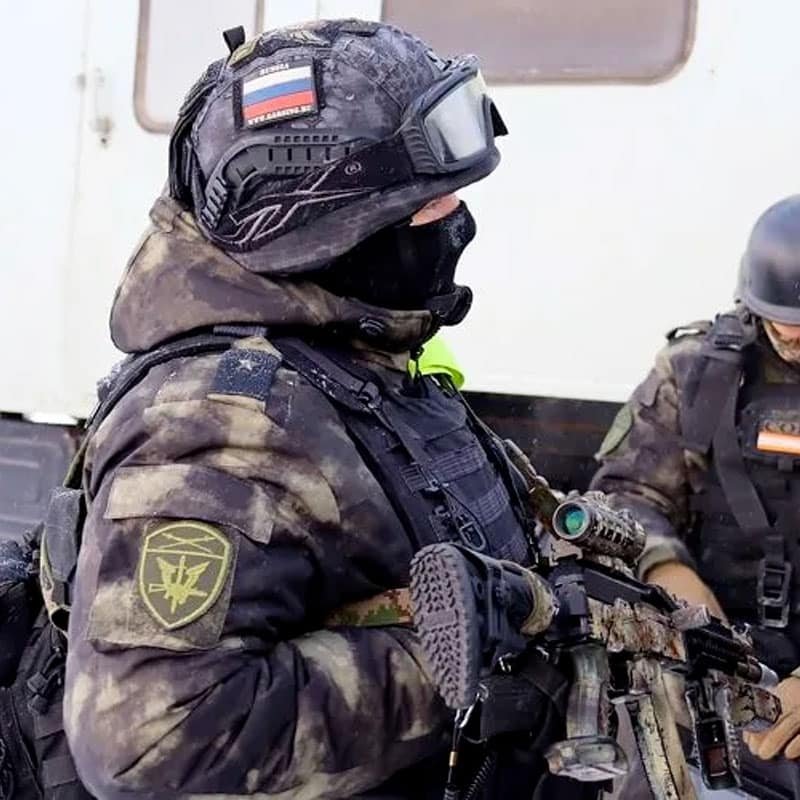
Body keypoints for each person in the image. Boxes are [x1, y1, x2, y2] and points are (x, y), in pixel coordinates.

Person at [57, 19, 573, 800]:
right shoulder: (220, 422)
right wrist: (478, 665)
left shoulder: (350, 354)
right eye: (428, 201)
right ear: (326, 226)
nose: (457, 212)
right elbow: (155, 742)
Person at [592, 196, 800, 796]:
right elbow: (626, 496)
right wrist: (667, 572)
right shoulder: (697, 372)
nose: (795, 336)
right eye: (784, 322)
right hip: (709, 658)